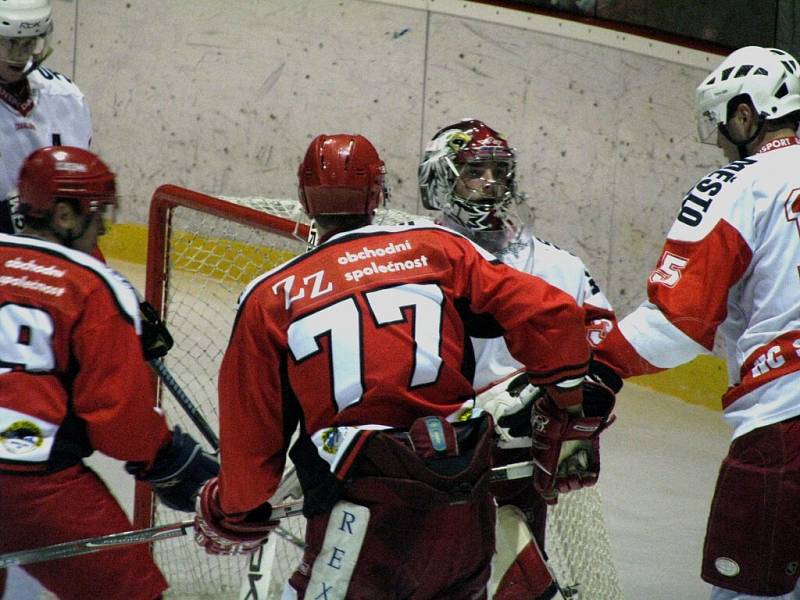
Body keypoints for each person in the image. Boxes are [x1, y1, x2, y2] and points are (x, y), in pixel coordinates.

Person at [192, 133, 613, 600]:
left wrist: (230, 510)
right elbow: (553, 315)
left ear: (303, 199)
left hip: (361, 515)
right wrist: (568, 405)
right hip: (462, 506)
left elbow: (251, 451)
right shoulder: (438, 248)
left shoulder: (269, 297)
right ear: (379, 195)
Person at [592, 46, 800, 600]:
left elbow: (679, 323)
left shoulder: (741, 183)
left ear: (745, 114)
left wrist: (595, 369)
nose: (718, 142)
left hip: (786, 422)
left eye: (721, 125)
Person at [0, 146, 218, 600]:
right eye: (98, 213)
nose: (104, 226)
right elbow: (117, 420)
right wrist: (167, 461)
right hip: (34, 489)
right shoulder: (93, 286)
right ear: (64, 214)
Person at [418, 119, 621, 599]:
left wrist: (577, 411)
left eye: (498, 171)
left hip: (516, 450)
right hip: (431, 446)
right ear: (440, 179)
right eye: (474, 171)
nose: (490, 183)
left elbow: (602, 339)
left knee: (516, 577)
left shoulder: (556, 265)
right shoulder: (411, 253)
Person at [0, 0, 92, 237]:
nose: (18, 54)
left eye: (29, 42)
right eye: (9, 42)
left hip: (49, 242)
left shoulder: (66, 97)